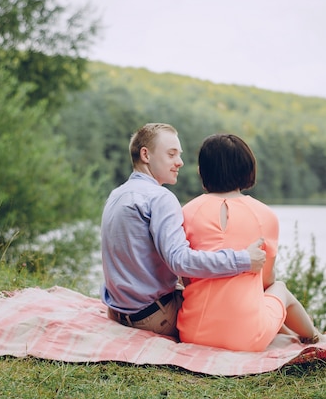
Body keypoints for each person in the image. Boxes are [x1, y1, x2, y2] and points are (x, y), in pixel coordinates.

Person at [100, 123, 266, 339]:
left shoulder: (117, 194)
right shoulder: (160, 197)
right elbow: (181, 262)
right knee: (232, 306)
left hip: (118, 312)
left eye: (179, 154)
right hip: (152, 319)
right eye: (171, 154)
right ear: (146, 155)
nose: (180, 162)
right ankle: (298, 336)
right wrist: (243, 260)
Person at [177, 133, 326, 352]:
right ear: (247, 168)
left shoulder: (186, 212)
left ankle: (293, 334)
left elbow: (186, 274)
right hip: (246, 338)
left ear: (202, 171)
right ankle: (316, 337)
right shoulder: (264, 214)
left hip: (193, 332)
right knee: (279, 288)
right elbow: (266, 280)